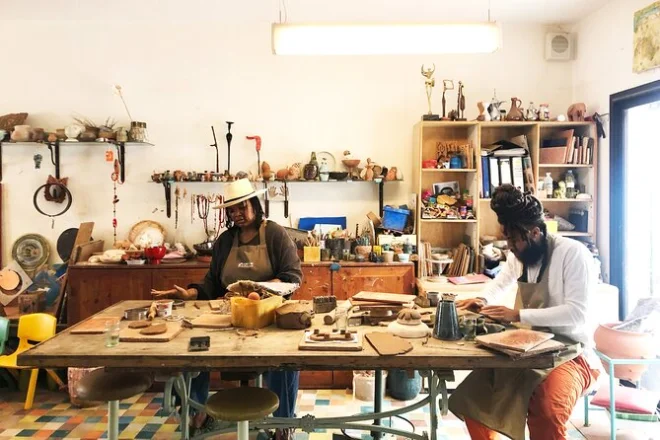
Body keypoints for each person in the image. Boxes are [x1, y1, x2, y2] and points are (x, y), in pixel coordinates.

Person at [152, 178, 302, 438]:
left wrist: (260, 289)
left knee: (286, 357)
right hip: (230, 316)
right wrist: (190, 293)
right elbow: (212, 282)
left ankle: (283, 424)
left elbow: (293, 276)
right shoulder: (225, 240)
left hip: (268, 316)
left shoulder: (274, 234)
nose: (237, 214)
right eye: (232, 210)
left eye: (242, 207)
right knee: (193, 346)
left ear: (254, 204)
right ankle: (196, 413)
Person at [449, 184, 600, 440]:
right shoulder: (520, 254)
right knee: (473, 400)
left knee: (547, 410)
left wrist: (518, 316)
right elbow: (501, 282)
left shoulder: (573, 254)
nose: (510, 247)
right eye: (507, 240)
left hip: (571, 352)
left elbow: (577, 313)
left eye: (514, 241)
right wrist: (481, 299)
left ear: (535, 232)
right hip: (526, 348)